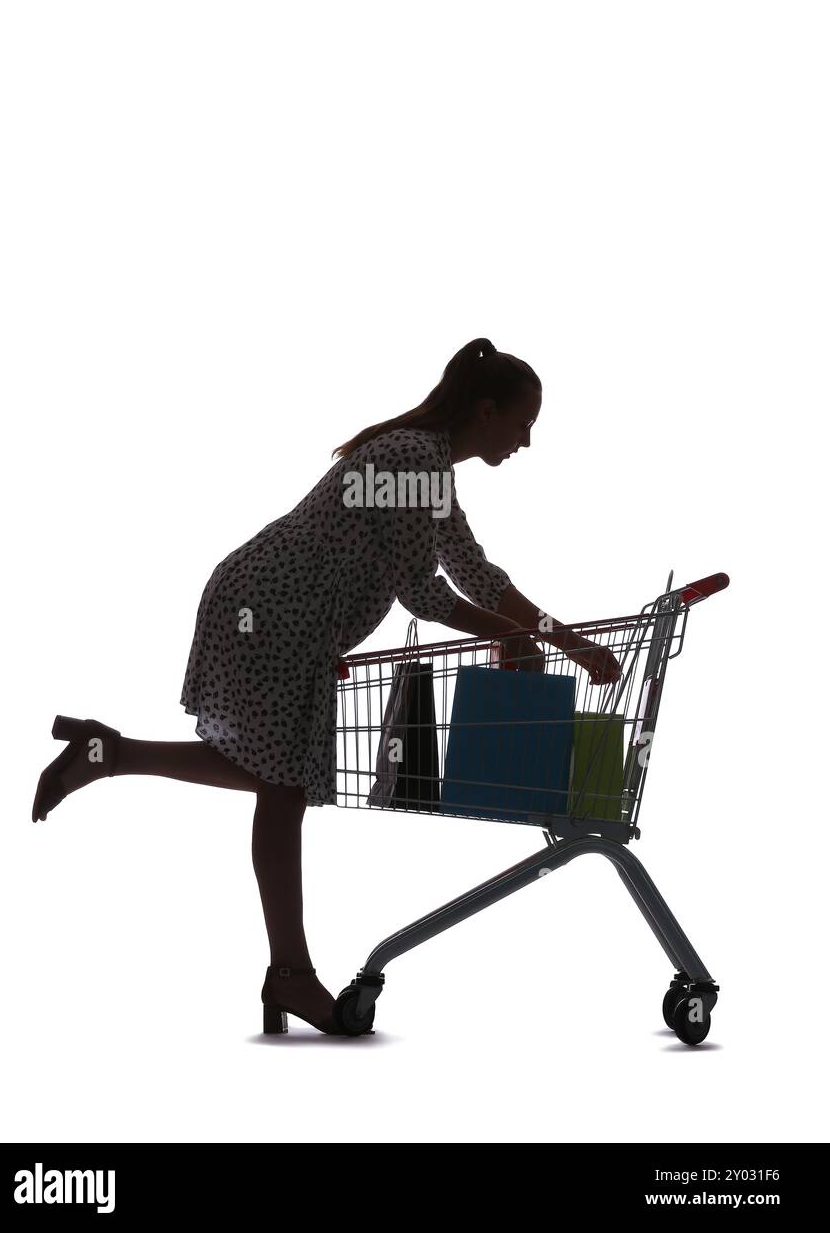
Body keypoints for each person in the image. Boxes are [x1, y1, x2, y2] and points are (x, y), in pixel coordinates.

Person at [31, 338, 621, 1036]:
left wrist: (570, 643)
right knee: (281, 788)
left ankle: (112, 755)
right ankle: (290, 975)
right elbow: (423, 593)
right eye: (524, 422)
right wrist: (511, 637)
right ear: (486, 411)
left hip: (286, 616)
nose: (528, 440)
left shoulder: (428, 469)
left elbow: (475, 573)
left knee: (276, 779)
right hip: (273, 612)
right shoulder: (411, 459)